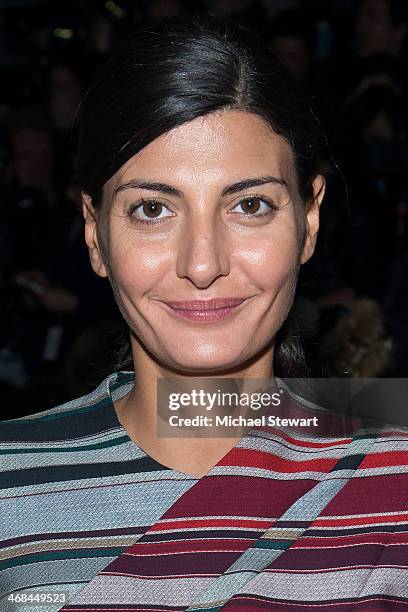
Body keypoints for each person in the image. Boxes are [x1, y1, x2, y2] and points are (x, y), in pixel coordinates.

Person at [1, 17, 407, 611]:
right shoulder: (11, 484)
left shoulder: (391, 477)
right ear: (94, 232)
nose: (201, 263)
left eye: (249, 204)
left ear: (309, 220)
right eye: (151, 209)